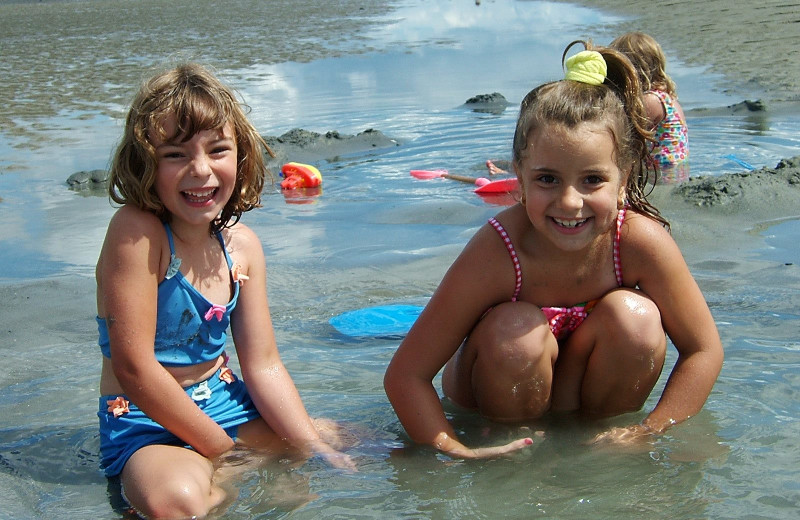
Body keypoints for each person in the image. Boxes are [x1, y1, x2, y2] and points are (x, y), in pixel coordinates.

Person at [385, 41, 723, 459]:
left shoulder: (638, 241)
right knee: (516, 331)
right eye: (547, 179)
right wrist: (448, 444)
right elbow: (406, 375)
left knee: (636, 319)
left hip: (584, 391)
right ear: (519, 179)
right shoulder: (498, 250)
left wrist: (649, 430)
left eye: (592, 180)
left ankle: (596, 441)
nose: (569, 201)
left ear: (623, 180)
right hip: (492, 400)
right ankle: (507, 445)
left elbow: (704, 350)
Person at [96, 63, 354, 519]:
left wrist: (311, 446)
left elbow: (263, 363)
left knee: (355, 444)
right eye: (175, 155)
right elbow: (133, 367)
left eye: (218, 150)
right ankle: (207, 478)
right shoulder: (137, 234)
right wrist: (222, 450)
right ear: (145, 162)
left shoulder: (242, 247)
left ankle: (226, 476)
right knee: (176, 503)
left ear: (241, 157)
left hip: (228, 404)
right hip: (147, 419)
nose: (201, 171)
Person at [488, 32, 689, 182]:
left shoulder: (650, 101)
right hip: (678, 169)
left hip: (660, 171)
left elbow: (622, 141)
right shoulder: (670, 98)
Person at [610, 31, 689, 181]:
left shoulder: (651, 100)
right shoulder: (665, 97)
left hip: (661, 175)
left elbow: (626, 139)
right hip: (676, 172)